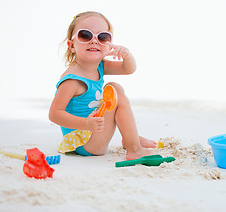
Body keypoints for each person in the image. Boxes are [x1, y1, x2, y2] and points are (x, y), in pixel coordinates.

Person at [49, 11, 157, 160]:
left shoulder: (100, 66)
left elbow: (128, 69)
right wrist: (86, 123)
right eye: (85, 35)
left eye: (102, 37)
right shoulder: (72, 80)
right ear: (71, 45)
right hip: (85, 143)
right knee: (116, 95)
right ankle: (134, 149)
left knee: (115, 87)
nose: (94, 41)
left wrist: (127, 55)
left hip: (94, 131)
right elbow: (54, 114)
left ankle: (129, 138)